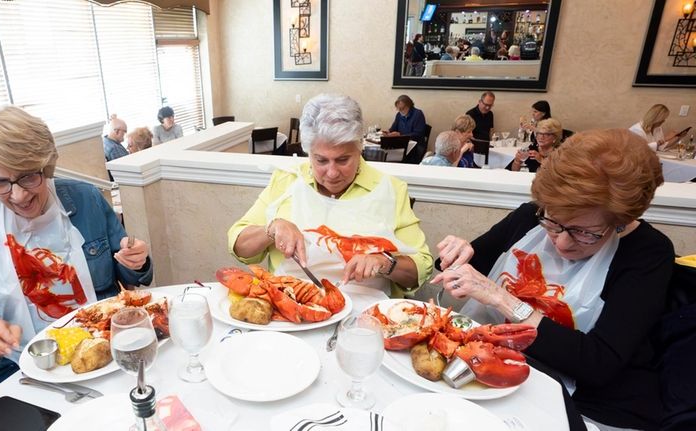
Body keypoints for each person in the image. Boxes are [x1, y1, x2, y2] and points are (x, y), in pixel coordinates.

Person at [434, 129, 674, 430]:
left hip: (588, 407)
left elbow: (598, 363)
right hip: (488, 374)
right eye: (553, 222)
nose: (561, 243)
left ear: (620, 221)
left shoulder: (648, 253)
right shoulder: (529, 217)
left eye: (585, 233)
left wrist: (503, 300)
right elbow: (462, 270)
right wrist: (456, 256)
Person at [0, 106, 153, 387]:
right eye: (0, 183)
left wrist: (135, 262)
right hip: (20, 369)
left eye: (28, 177)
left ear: (46, 166)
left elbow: (128, 277)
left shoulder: (87, 200)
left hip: (105, 346)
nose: (18, 196)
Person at [228, 94, 433, 297]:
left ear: (360, 147)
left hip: (366, 317)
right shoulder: (286, 181)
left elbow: (420, 269)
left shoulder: (392, 190)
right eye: (321, 161)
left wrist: (386, 263)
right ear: (307, 152)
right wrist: (272, 228)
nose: (332, 173)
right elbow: (239, 248)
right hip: (290, 309)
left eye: (343, 160)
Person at [386, 95, 428, 163]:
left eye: (402, 108)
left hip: (416, 146)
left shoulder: (418, 114)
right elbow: (393, 128)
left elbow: (418, 134)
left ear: (409, 106)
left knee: (393, 157)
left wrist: (400, 134)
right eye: (398, 108)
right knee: (387, 154)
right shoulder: (399, 115)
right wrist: (388, 132)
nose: (400, 110)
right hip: (401, 143)